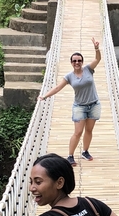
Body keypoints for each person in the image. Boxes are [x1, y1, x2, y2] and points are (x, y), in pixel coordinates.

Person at [40, 37, 101, 166]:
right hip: (79, 107)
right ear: (71, 63)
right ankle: (70, 156)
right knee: (78, 132)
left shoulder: (88, 69)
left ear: (82, 61)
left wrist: (96, 48)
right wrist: (44, 96)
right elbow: (57, 88)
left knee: (89, 130)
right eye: (74, 61)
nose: (77, 62)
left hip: (94, 104)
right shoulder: (69, 76)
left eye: (79, 60)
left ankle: (85, 151)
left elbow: (97, 59)